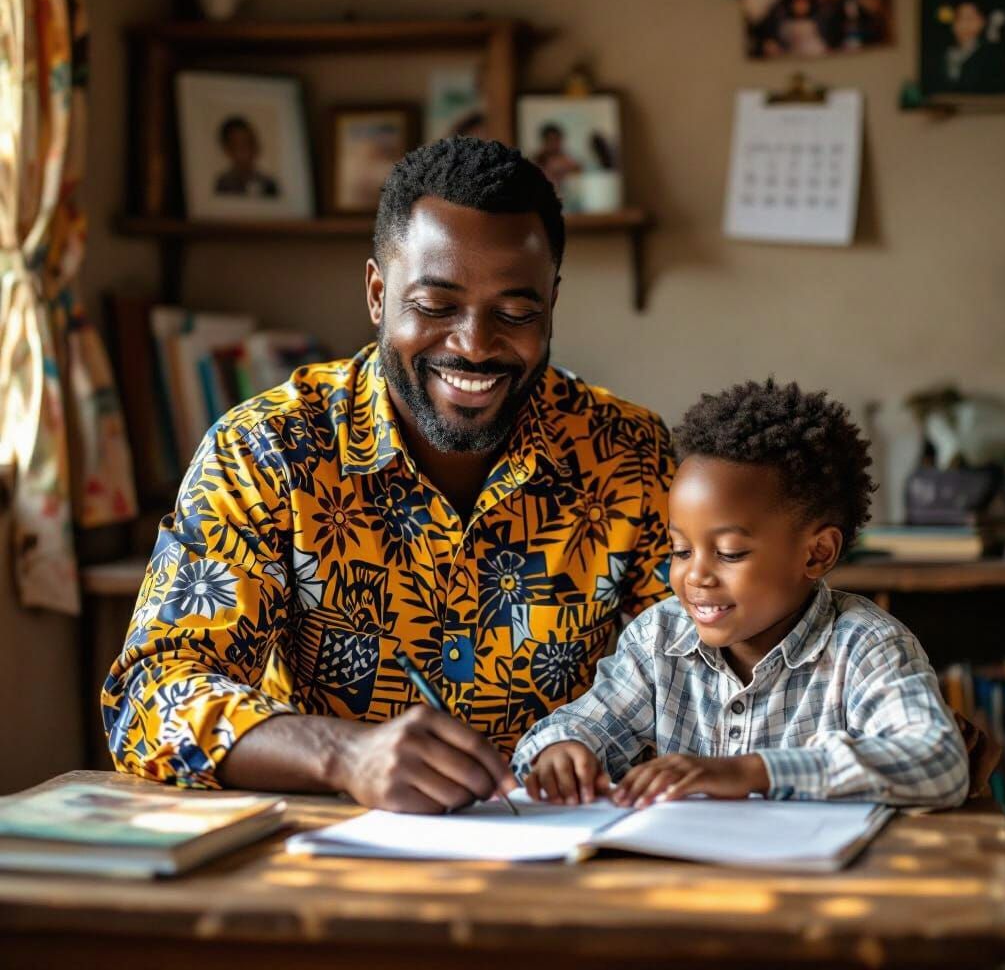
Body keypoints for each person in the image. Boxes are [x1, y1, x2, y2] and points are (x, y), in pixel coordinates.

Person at [102, 137, 674, 813]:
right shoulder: (269, 451)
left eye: (516, 314)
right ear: (378, 294)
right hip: (336, 855)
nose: (474, 344)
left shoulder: (628, 456)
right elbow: (153, 694)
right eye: (435, 306)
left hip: (573, 860)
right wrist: (344, 755)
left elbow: (696, 687)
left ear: (552, 302)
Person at [514, 380, 970, 809]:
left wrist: (754, 772)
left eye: (729, 554)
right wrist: (563, 749)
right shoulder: (658, 639)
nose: (695, 576)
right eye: (680, 549)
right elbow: (585, 723)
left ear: (817, 554)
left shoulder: (864, 646)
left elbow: (938, 761)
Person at [214, 116, 279, 197]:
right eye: (238, 145)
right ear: (228, 150)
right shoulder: (223, 184)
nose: (246, 151)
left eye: (249, 143)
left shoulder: (269, 184)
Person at [531, 123, 582, 193]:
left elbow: (578, 169)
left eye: (557, 140)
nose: (554, 144)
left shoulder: (565, 159)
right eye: (551, 140)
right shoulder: (536, 159)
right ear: (545, 141)